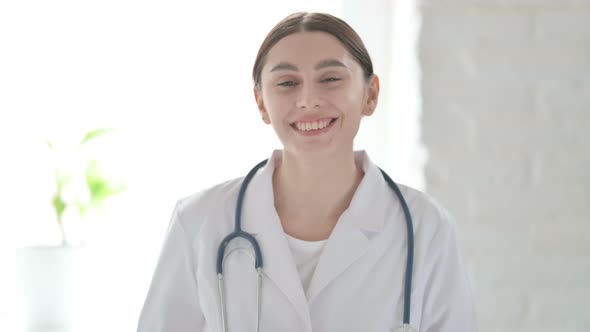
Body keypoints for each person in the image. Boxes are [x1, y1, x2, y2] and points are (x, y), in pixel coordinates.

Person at [137, 12, 477, 332]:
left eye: (330, 78)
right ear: (261, 103)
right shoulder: (198, 221)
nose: (309, 100)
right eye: (287, 83)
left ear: (370, 94)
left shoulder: (426, 227)